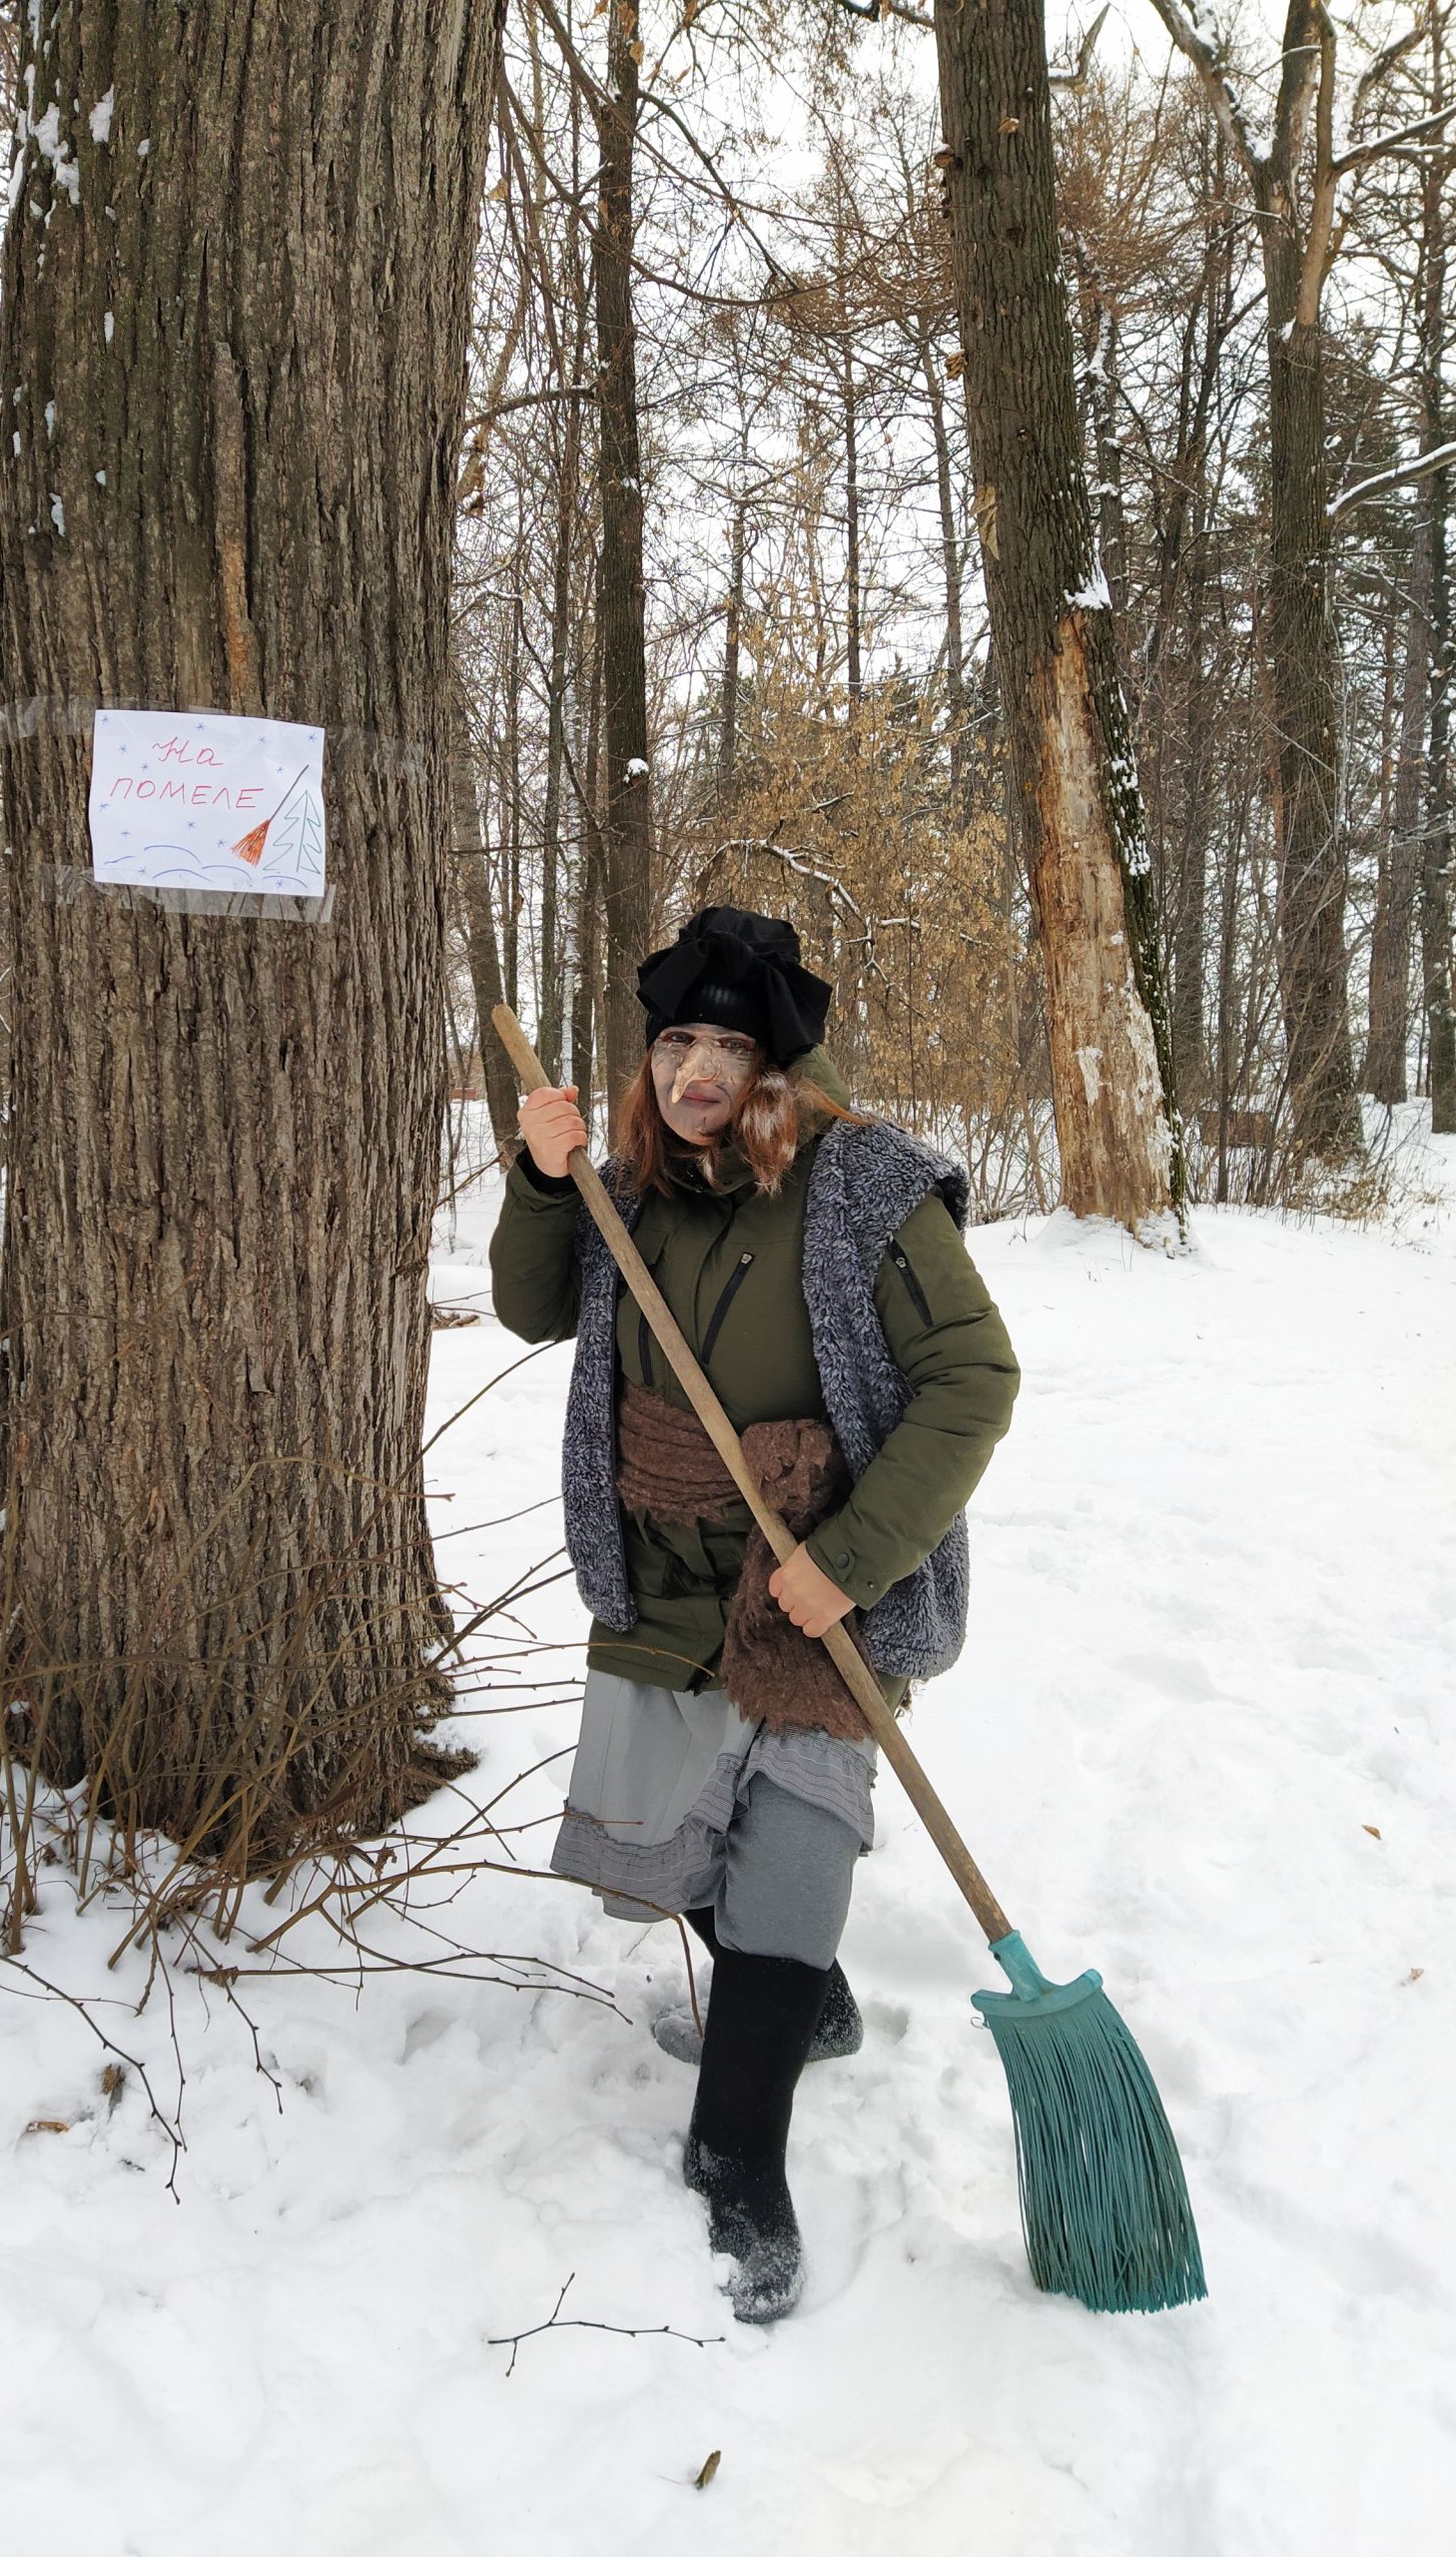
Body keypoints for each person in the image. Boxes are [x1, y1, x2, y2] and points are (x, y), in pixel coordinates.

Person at [487, 905, 1020, 2324]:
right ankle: (816, 2007)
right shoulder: (628, 1190)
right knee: (683, 1838)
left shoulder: (865, 1187)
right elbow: (530, 1310)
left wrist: (851, 1561)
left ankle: (740, 2156)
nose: (700, 1069)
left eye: (732, 1044)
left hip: (808, 1574)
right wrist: (544, 1182)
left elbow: (975, 1378)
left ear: (782, 1063)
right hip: (661, 1569)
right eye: (678, 1040)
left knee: (792, 1848)